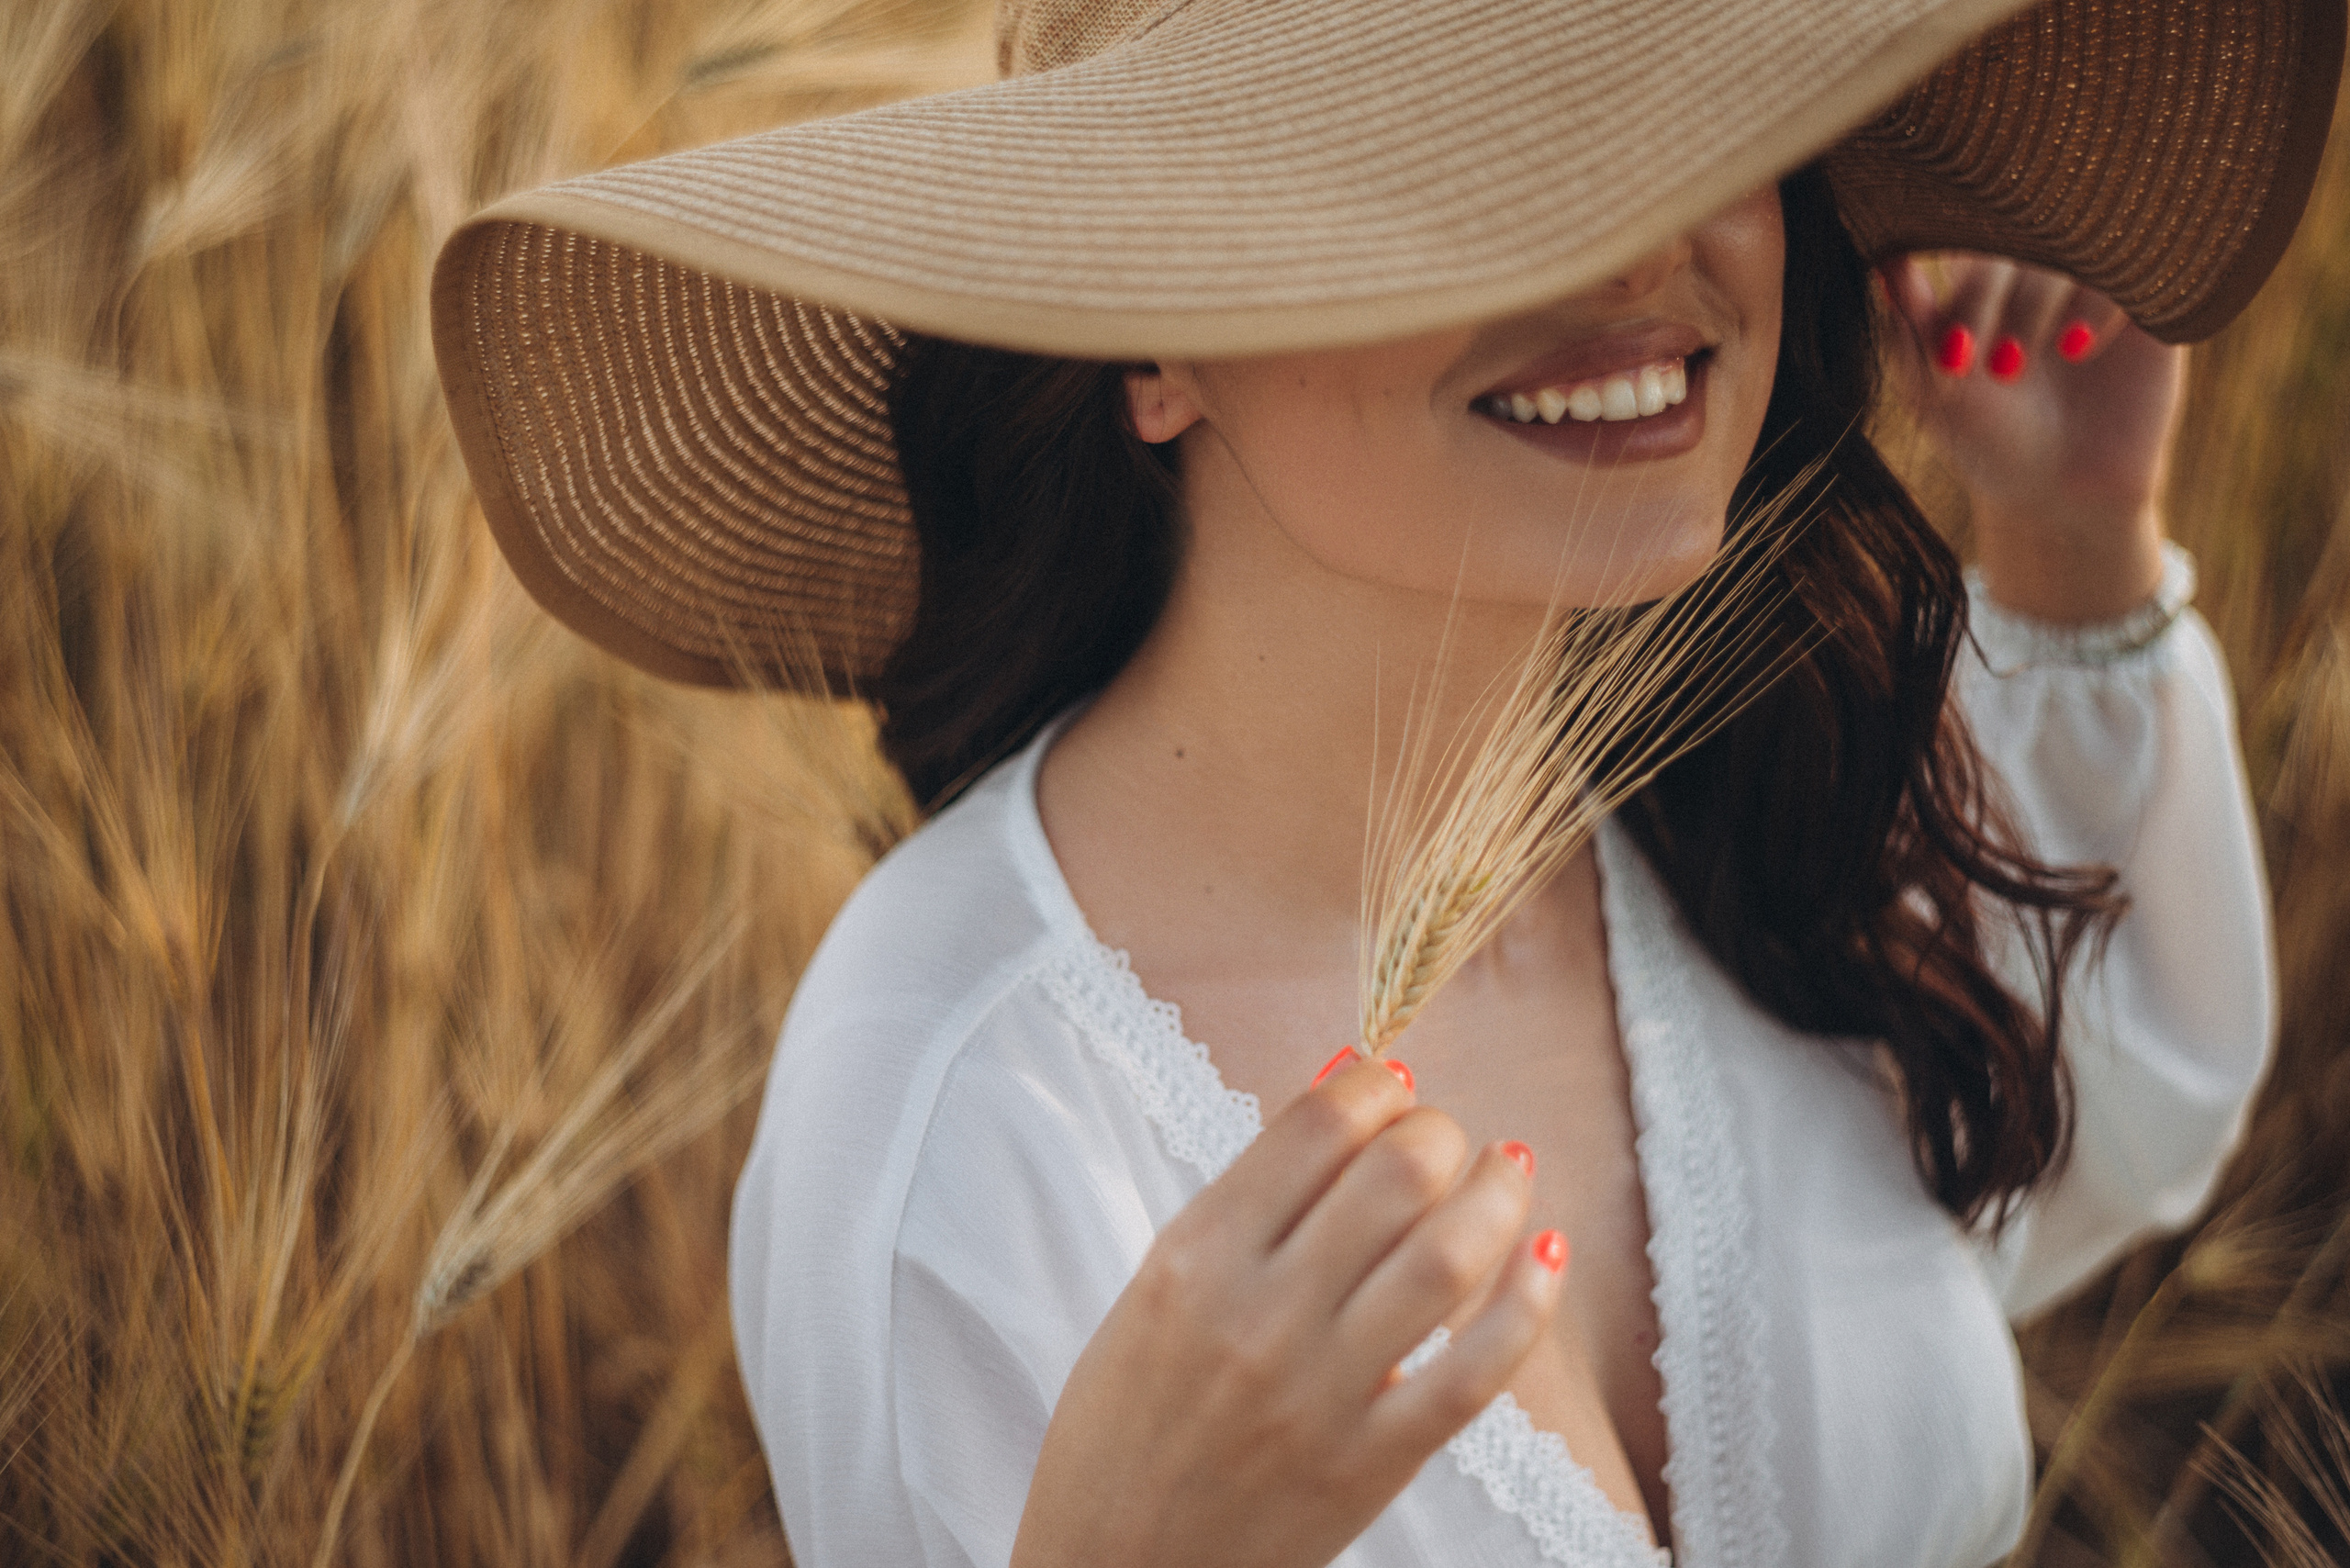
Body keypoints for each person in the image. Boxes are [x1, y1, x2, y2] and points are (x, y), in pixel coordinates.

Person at [430, 0, 2342, 1562]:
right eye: (1461, 168)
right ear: (1147, 333)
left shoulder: (1735, 784)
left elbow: (2088, 1137)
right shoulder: (961, 1093)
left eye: (1680, 116)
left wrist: (2072, 537)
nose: (1636, 247)